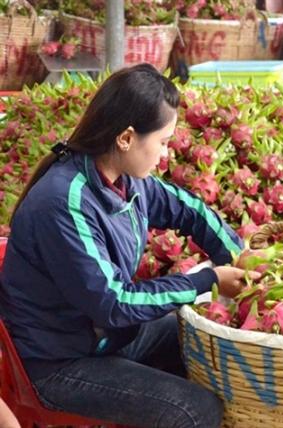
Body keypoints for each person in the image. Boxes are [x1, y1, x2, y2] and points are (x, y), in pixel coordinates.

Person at [0, 63, 261, 427]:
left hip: (108, 339)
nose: (166, 154)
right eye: (163, 142)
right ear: (125, 138)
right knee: (196, 410)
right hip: (60, 365)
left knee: (204, 347)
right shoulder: (64, 203)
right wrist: (207, 281)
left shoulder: (126, 179)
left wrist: (235, 255)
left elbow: (189, 211)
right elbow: (114, 303)